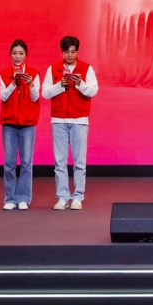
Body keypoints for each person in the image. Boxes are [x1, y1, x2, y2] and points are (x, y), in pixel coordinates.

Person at [42, 35, 99, 210]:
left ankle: (78, 197)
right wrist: (60, 85)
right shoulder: (53, 69)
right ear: (62, 52)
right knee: (59, 162)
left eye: (73, 52)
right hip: (58, 120)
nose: (70, 55)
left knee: (79, 162)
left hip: (79, 121)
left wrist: (80, 83)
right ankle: (62, 197)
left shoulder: (86, 69)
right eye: (66, 52)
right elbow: (45, 93)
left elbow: (93, 91)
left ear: (77, 51)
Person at [0, 39, 40, 210]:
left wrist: (30, 84)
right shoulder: (3, 74)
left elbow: (35, 98)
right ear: (10, 55)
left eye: (21, 53)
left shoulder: (34, 74)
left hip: (28, 124)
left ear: (26, 55)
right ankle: (9, 198)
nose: (17, 56)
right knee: (9, 163)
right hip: (9, 123)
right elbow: (3, 97)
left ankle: (23, 197)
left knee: (26, 162)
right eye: (14, 53)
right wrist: (13, 84)